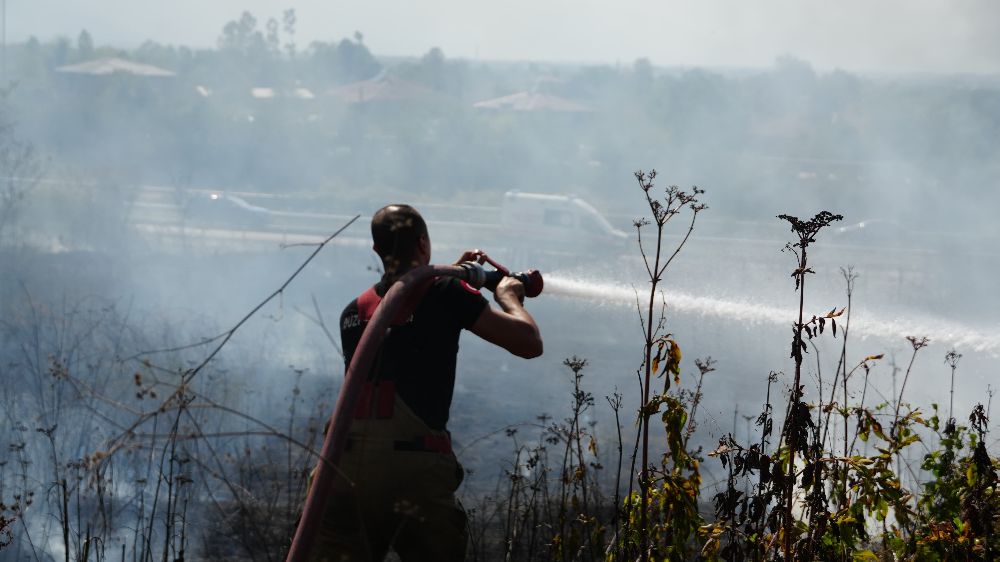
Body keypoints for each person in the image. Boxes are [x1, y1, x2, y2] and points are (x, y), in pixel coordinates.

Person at [310, 204, 543, 562]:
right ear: (422, 243)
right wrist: (508, 296)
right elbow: (528, 343)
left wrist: (449, 278)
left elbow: (408, 314)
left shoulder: (354, 312)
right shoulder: (446, 294)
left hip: (344, 468)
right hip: (413, 468)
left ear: (377, 251)